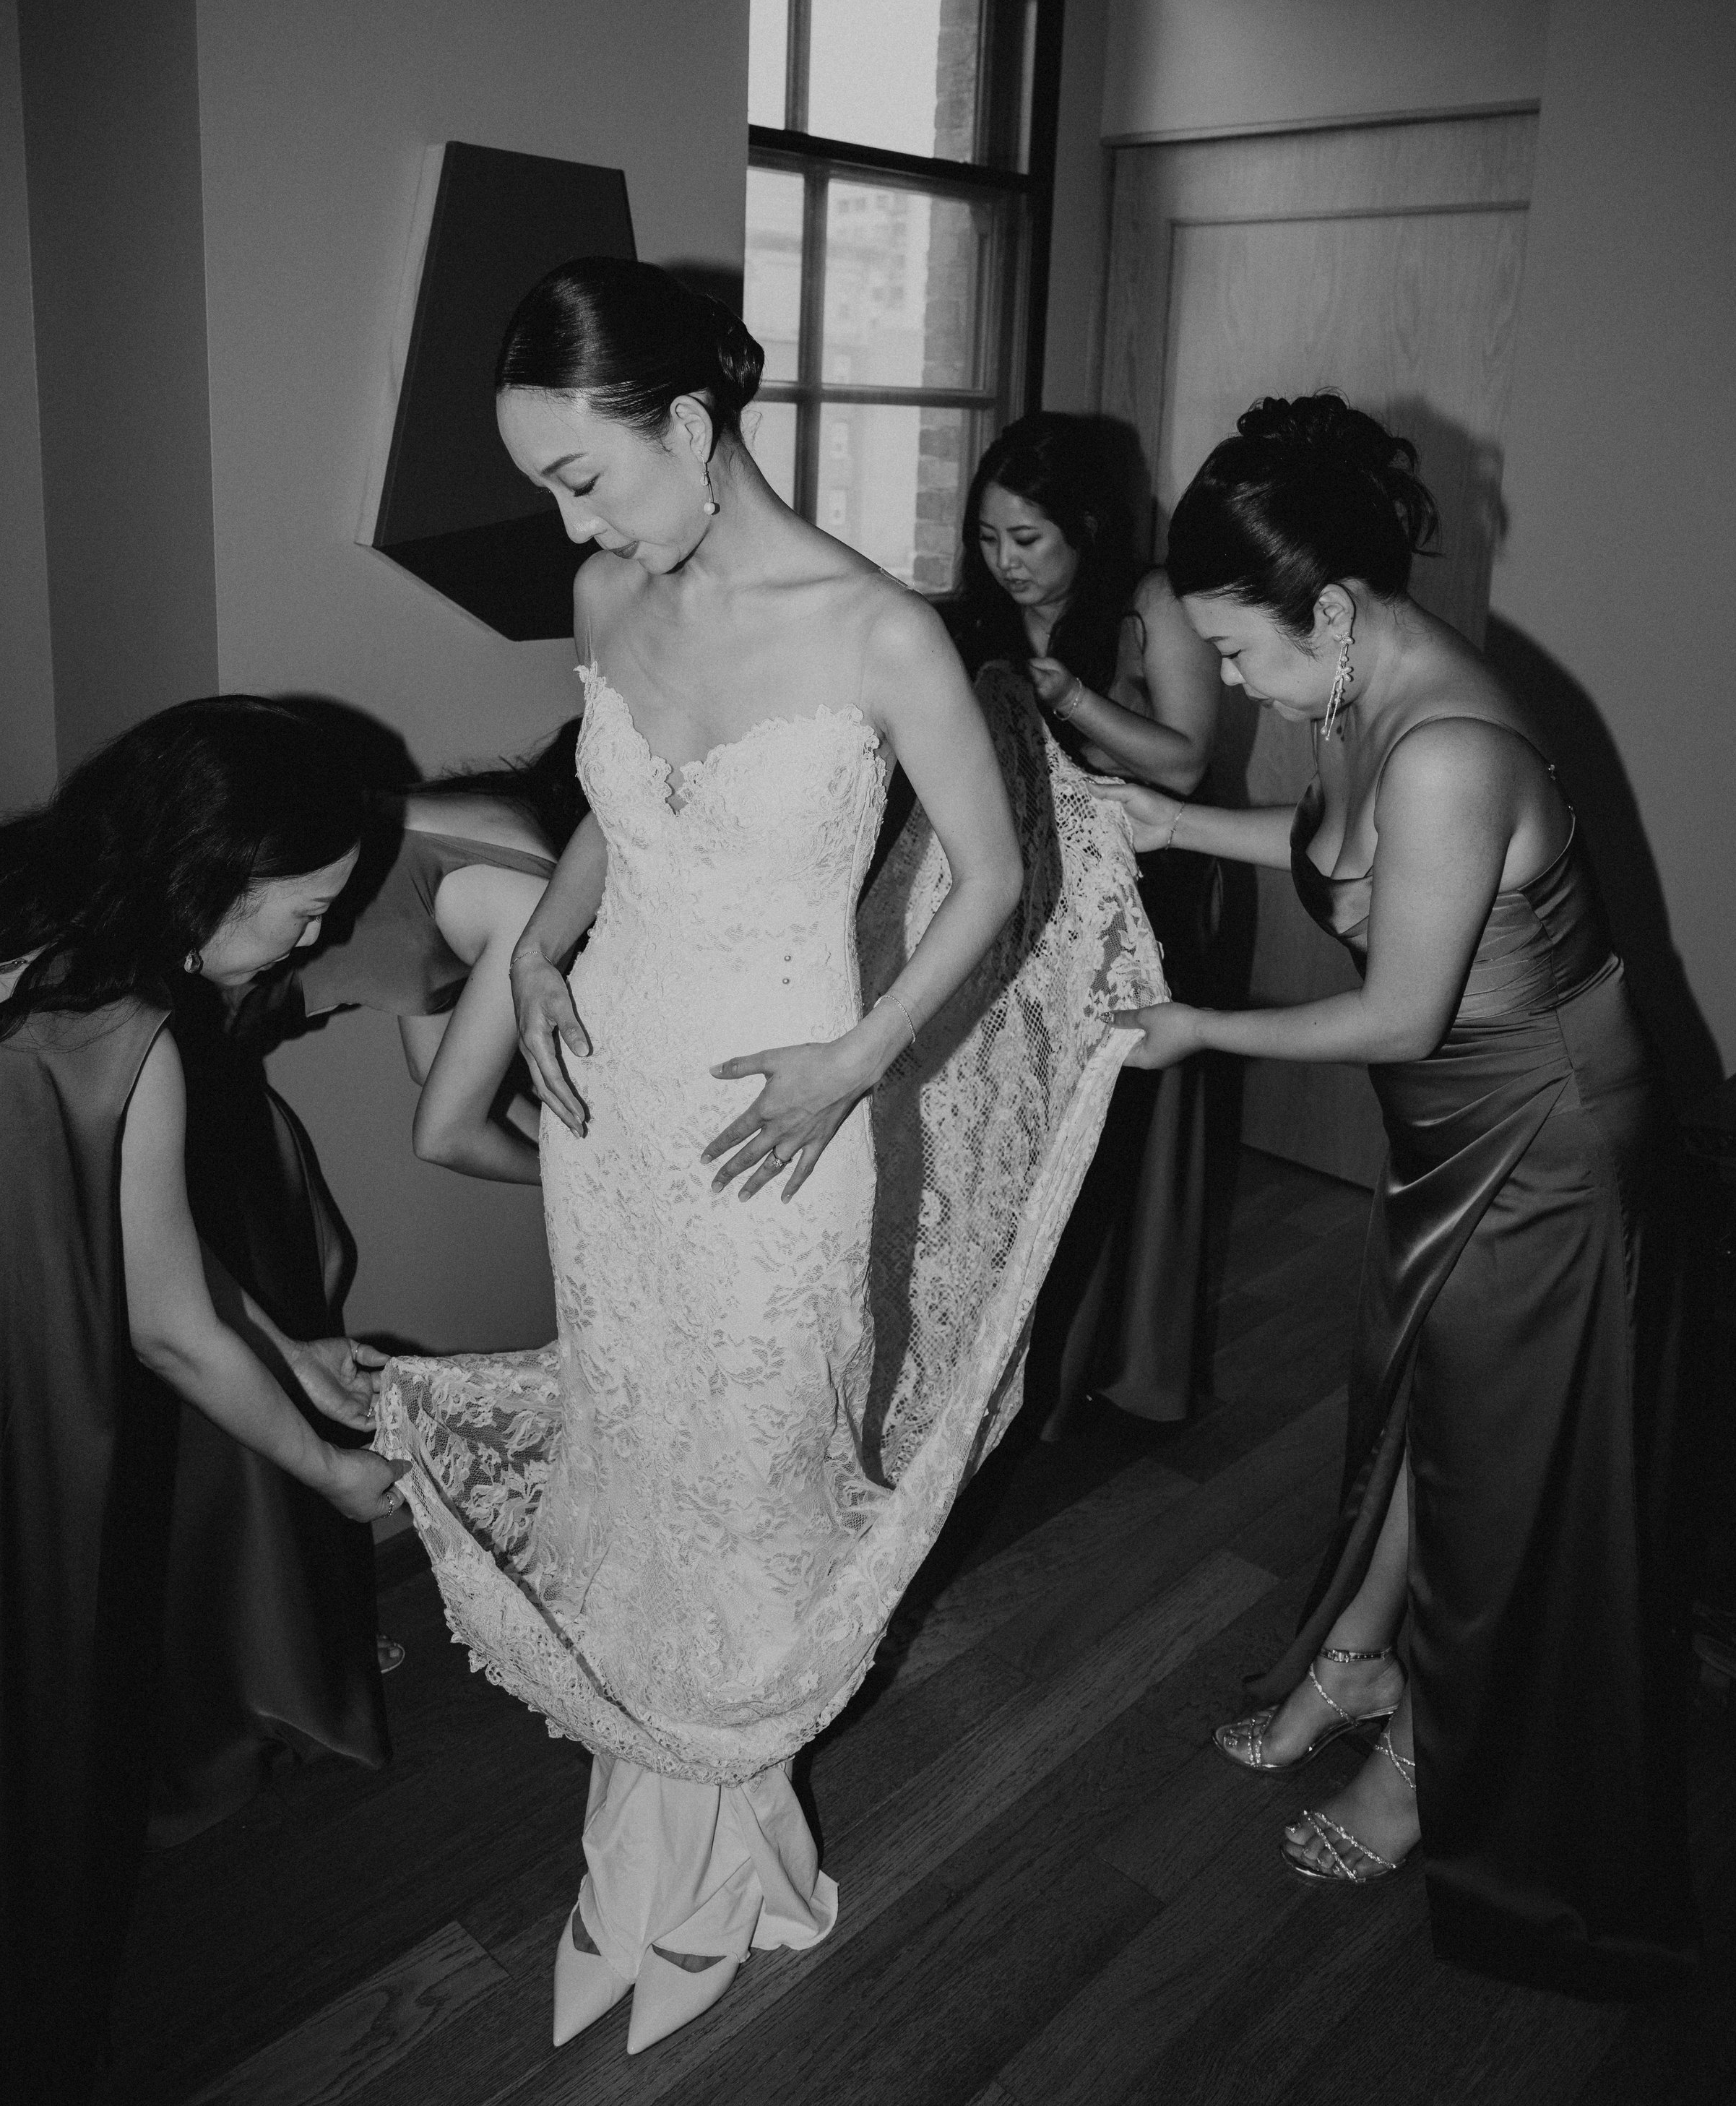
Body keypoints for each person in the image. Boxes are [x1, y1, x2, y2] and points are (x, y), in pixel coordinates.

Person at [372, 259, 1165, 2056]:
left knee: (753, 1461)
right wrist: (545, 946)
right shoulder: (606, 588)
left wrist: (857, 1061)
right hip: (621, 1106)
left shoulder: (876, 626)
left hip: (784, 1109)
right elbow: (609, 808)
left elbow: (995, 878)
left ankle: (726, 1860)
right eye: (548, 484)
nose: (569, 517)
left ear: (693, 423)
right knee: (641, 1441)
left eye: (586, 471)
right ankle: (638, 1838)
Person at [1094, 394, 1693, 1995]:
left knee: (1501, 1467)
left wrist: (1198, 1028)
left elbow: (1396, 1008)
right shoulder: (1364, 699)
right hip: (1458, 1130)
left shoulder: (1448, 745)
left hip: (1545, 1144)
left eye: (1237, 652)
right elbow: (1329, 860)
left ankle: (1426, 1766)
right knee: (1438, 1410)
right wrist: (1167, 818)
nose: (1227, 682)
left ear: (1336, 612)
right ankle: (1356, 1660)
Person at [0, 698, 402, 2105]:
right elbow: (169, 1329)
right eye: (303, 911)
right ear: (208, 880)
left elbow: (136, 1246)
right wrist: (326, 1474)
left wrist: (293, 1352)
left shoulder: (10, 898)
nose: (317, 942)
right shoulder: (116, 1031)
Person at [951, 413, 1225, 1426]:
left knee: (1120, 1125)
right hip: (1021, 891)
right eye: (988, 537)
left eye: (1028, 539)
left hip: (1143, 887)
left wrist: (1073, 700)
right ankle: (1005, 1375)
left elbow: (1186, 759)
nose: (1006, 562)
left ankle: (1110, 1363)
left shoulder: (1152, 602)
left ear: (1089, 526)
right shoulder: (971, 616)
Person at [253, 722, 585, 1185]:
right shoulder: (536, 902)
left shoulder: (492, 817)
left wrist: (577, 1144)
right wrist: (591, 1186)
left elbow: (431, 1067)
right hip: (216, 1001)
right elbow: (444, 1137)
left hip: (223, 999)